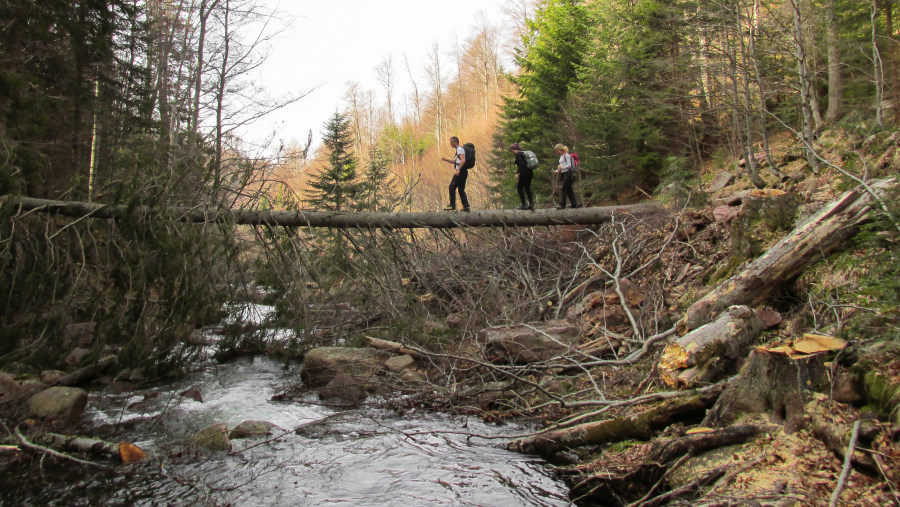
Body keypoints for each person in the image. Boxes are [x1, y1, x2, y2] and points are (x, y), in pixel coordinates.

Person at [441, 136, 470, 211]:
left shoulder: (460, 149)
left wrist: (458, 170)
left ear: (455, 142)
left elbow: (463, 160)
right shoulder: (459, 150)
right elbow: (456, 162)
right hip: (463, 172)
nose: (450, 144)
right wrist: (446, 160)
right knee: (461, 190)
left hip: (461, 172)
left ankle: (452, 206)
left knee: (451, 187)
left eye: (451, 142)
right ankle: (466, 206)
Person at [554, 143, 579, 209]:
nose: (557, 152)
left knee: (564, 189)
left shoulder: (566, 155)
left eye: (557, 150)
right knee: (569, 190)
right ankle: (574, 204)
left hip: (568, 173)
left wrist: (562, 168)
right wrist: (557, 170)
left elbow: (569, 165)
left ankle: (562, 204)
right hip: (564, 173)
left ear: (560, 149)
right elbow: (561, 165)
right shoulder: (561, 156)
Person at [510, 142, 534, 210]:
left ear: (515, 149)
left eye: (512, 151)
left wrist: (518, 173)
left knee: (519, 188)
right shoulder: (524, 153)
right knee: (527, 188)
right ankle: (531, 204)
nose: (512, 153)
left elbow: (521, 165)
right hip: (530, 172)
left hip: (524, 173)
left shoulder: (519, 154)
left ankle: (524, 204)